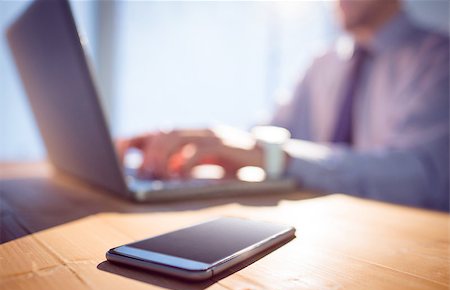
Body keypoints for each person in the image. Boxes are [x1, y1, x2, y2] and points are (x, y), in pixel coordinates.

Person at [117, 0, 449, 211]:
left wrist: (268, 153)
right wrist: (210, 150)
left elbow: (420, 178)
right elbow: (269, 136)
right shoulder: (323, 63)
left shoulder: (438, 59)